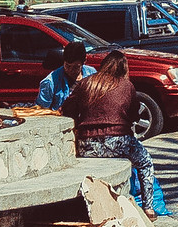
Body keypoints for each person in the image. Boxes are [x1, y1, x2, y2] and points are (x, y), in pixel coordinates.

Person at [61, 50, 171, 216]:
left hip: (87, 145)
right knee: (145, 162)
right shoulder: (127, 86)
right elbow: (134, 115)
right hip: (119, 142)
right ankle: (148, 208)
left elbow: (67, 109)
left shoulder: (86, 83)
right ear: (124, 69)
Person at [37, 41, 95, 109]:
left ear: (84, 61)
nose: (70, 70)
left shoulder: (92, 74)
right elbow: (42, 110)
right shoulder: (50, 82)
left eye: (75, 67)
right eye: (67, 66)